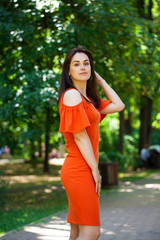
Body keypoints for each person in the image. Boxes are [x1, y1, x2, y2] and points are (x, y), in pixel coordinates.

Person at [58, 46, 125, 240]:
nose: (82, 67)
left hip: (83, 168)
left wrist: (101, 80)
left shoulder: (89, 100)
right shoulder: (72, 95)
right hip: (80, 169)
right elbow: (79, 136)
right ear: (68, 71)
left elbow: (119, 105)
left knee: (78, 231)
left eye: (86, 64)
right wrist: (95, 170)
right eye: (76, 64)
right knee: (92, 232)